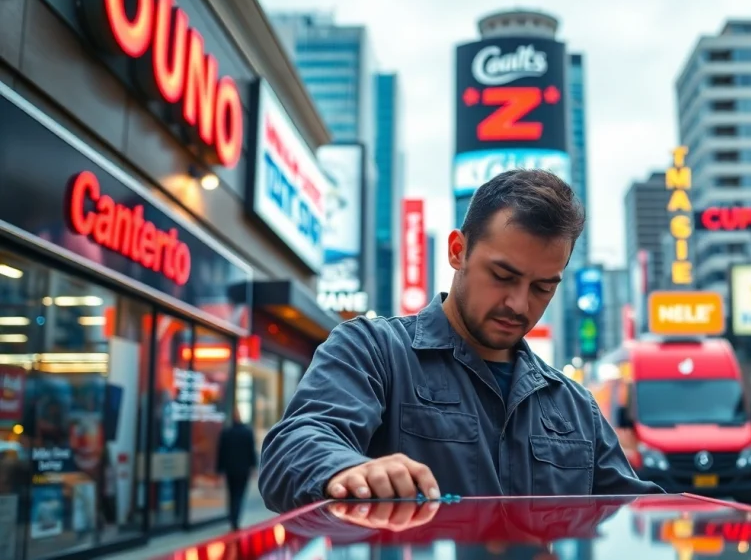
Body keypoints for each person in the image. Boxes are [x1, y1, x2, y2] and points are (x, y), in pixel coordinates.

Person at [259, 170, 663, 512]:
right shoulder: (372, 350)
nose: (519, 304)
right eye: (503, 276)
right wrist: (344, 470)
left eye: (543, 287)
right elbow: (294, 446)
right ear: (458, 250)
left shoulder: (575, 405)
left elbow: (640, 514)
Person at [217, 409, 257, 530]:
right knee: (239, 494)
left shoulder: (226, 432)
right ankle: (235, 518)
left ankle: (232, 517)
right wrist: (253, 467)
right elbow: (251, 451)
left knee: (232, 493)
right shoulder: (247, 432)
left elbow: (221, 453)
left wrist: (220, 469)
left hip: (230, 469)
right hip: (243, 470)